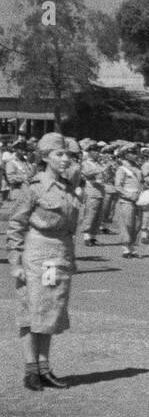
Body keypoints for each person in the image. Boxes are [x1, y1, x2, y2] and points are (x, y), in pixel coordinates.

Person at [6, 132, 81, 391]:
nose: (65, 159)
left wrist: (70, 257)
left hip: (59, 253)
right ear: (46, 157)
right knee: (30, 312)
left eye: (67, 155)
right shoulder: (34, 187)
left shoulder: (68, 186)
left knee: (50, 310)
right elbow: (16, 225)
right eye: (59, 154)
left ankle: (44, 366)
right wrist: (15, 261)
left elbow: (70, 228)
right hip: (36, 253)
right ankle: (31, 371)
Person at [114, 151, 145, 257]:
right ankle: (126, 249)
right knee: (127, 223)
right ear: (126, 155)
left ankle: (131, 245)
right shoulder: (122, 169)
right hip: (126, 200)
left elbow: (141, 182)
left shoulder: (137, 168)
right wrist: (129, 195)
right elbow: (118, 186)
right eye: (133, 153)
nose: (136, 155)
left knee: (137, 224)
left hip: (138, 199)